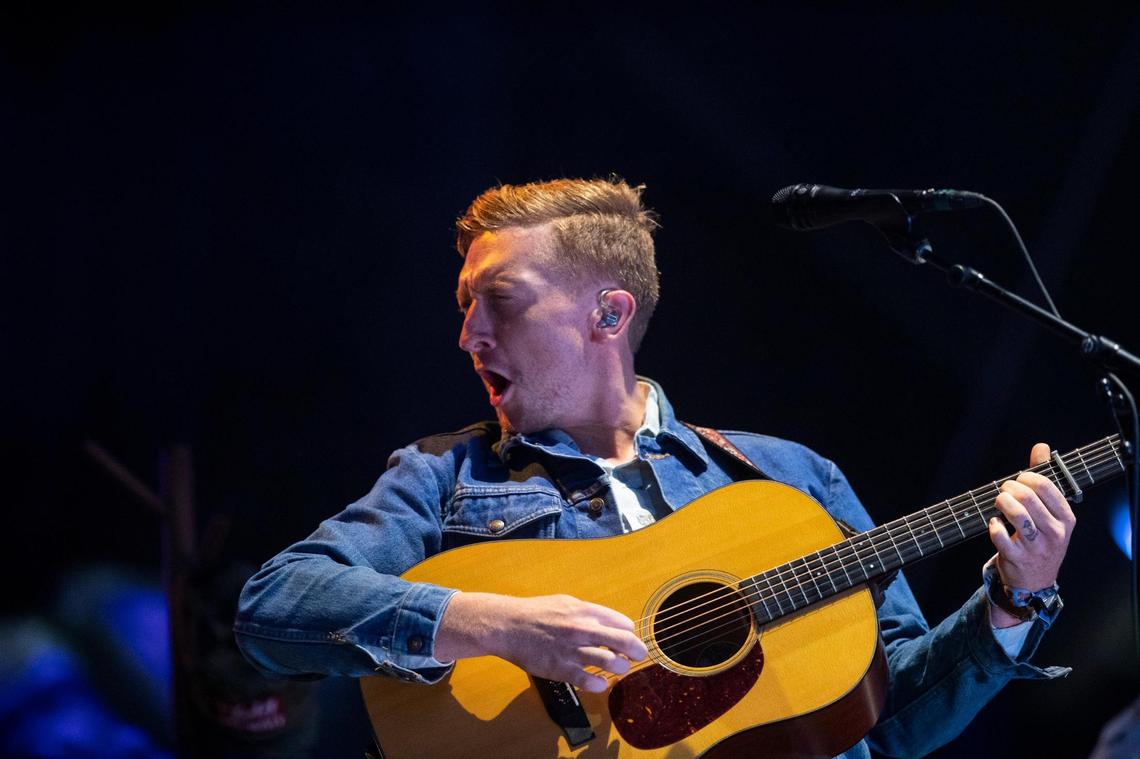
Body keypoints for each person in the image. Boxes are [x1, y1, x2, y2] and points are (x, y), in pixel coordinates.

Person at [235, 177, 1075, 757]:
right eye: (463, 308)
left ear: (609, 311)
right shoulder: (444, 476)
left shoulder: (790, 479)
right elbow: (274, 609)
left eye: (499, 300)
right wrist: (498, 623)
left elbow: (891, 725)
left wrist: (1014, 598)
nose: (469, 335)